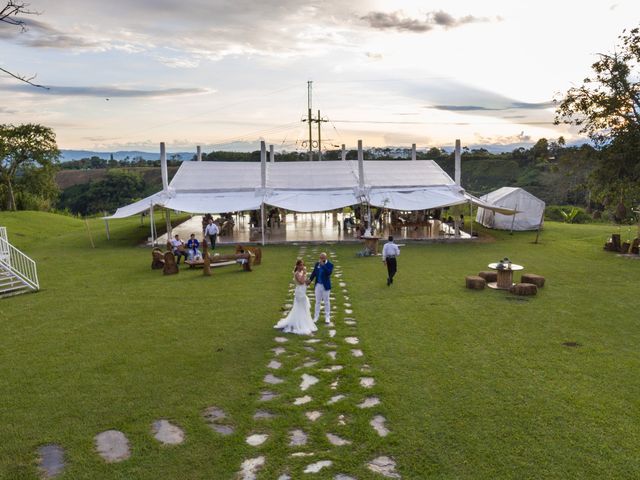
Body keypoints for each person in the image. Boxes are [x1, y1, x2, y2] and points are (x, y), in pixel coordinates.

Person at [274, 259, 317, 335]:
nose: (302, 266)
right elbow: (301, 282)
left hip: (303, 291)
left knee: (302, 308)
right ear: (297, 266)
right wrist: (304, 273)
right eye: (300, 265)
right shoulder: (296, 273)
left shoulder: (301, 272)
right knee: (301, 307)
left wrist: (309, 281)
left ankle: (303, 322)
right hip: (299, 293)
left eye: (303, 265)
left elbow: (305, 282)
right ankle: (299, 323)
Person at [308, 252, 333, 324]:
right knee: (317, 301)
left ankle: (327, 317)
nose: (321, 259)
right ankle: (316, 317)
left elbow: (329, 273)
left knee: (326, 301)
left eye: (323, 258)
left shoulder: (330, 265)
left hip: (325, 286)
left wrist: (323, 266)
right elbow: (314, 273)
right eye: (320, 258)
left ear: (326, 258)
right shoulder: (317, 264)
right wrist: (310, 280)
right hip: (318, 285)